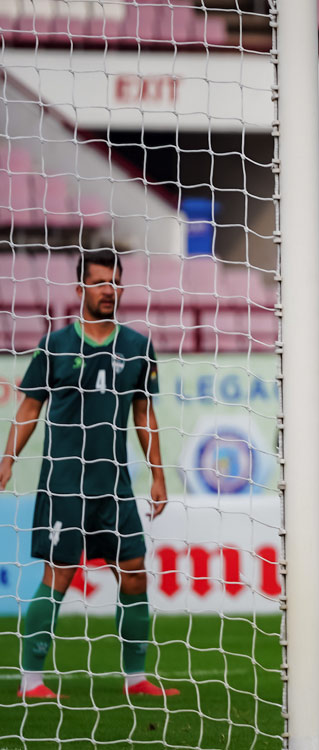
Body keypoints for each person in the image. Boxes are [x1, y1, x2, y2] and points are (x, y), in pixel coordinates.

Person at [1, 249, 176, 700]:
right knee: (57, 575)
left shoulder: (137, 346)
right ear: (80, 289)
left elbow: (144, 413)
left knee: (135, 574)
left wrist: (157, 475)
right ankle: (31, 683)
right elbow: (28, 408)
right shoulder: (55, 345)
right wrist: (7, 460)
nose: (108, 291)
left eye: (114, 283)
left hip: (114, 485)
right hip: (64, 483)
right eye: (99, 283)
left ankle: (136, 678)